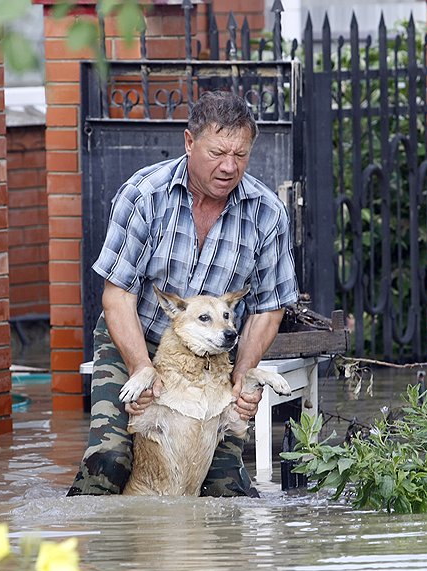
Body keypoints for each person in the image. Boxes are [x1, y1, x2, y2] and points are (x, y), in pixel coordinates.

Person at [67, 91, 299, 497]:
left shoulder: (267, 212)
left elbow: (268, 307)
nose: (230, 167)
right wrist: (142, 367)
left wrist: (242, 373)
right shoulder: (143, 195)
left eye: (241, 155)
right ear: (189, 142)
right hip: (138, 336)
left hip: (215, 350)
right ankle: (97, 555)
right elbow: (117, 295)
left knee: (226, 481)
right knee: (109, 458)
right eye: (217, 152)